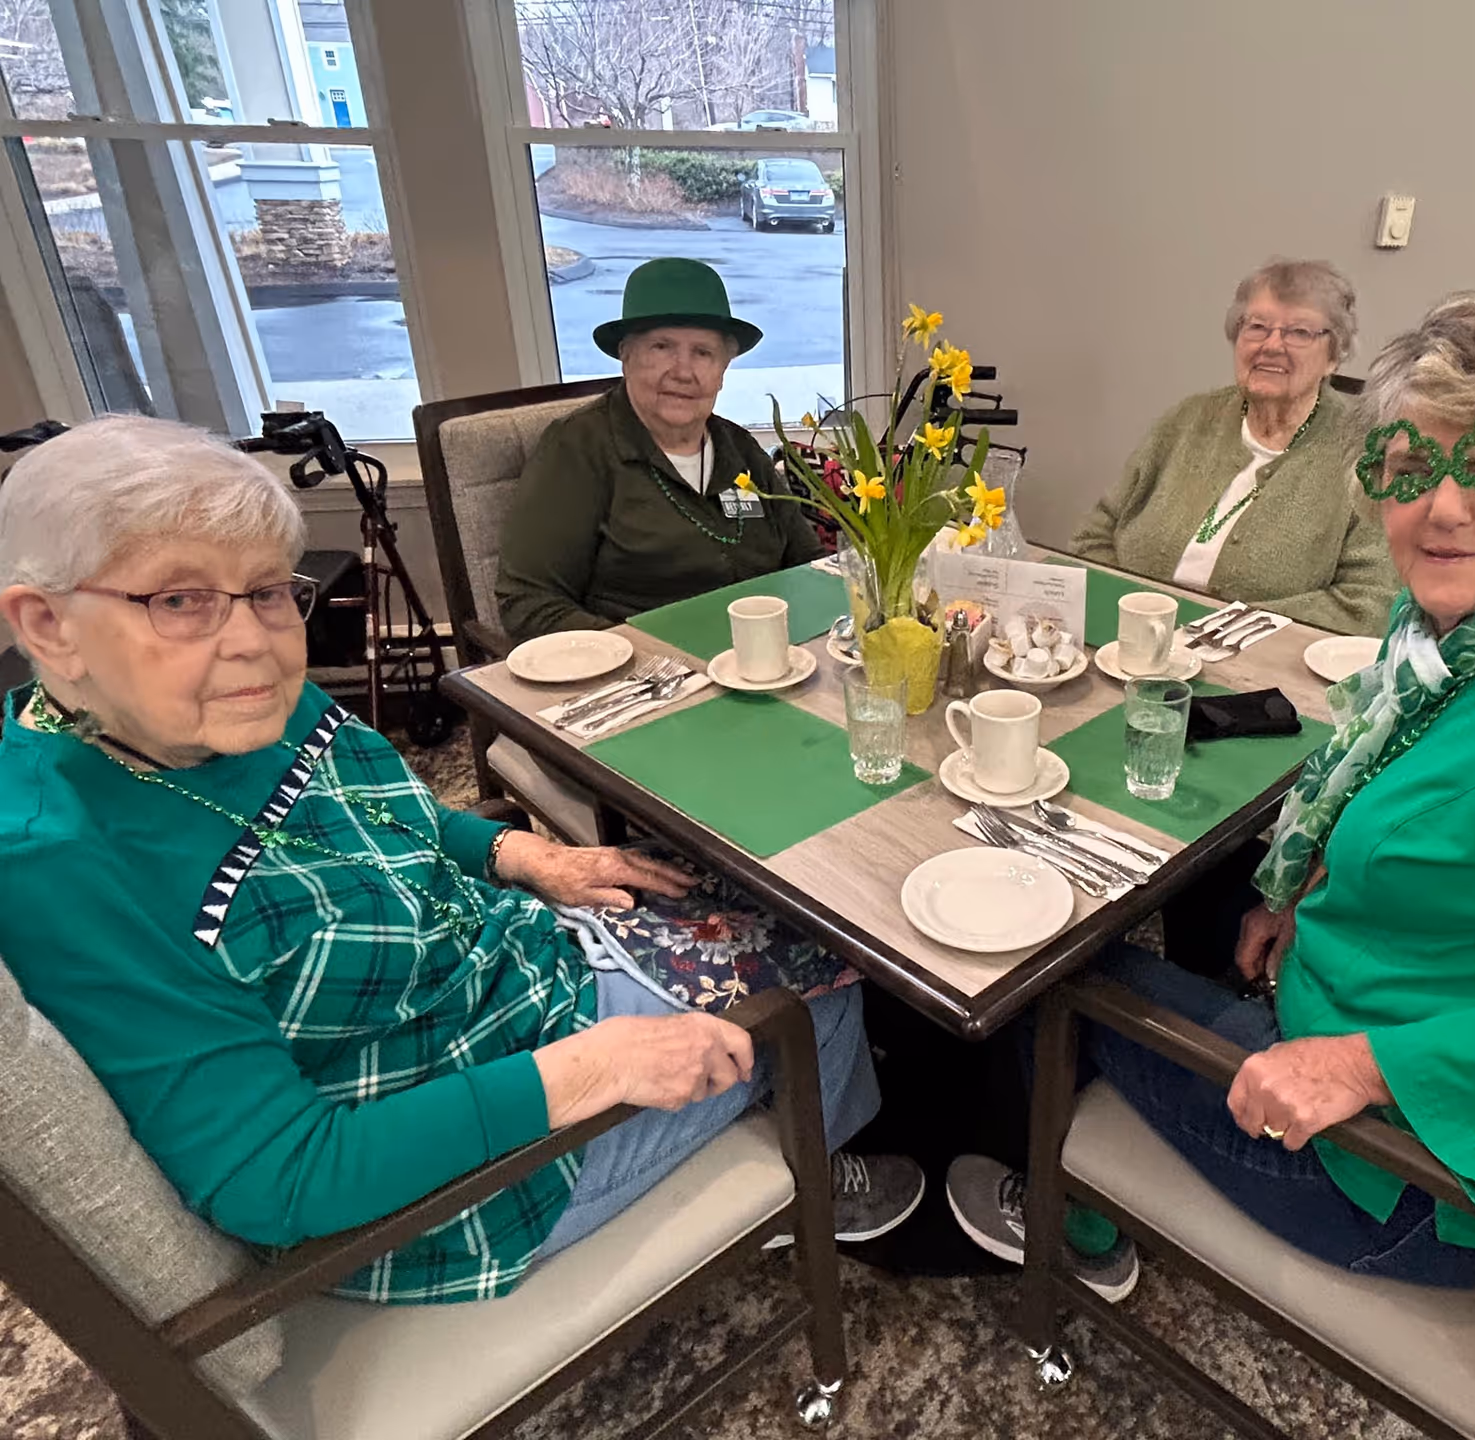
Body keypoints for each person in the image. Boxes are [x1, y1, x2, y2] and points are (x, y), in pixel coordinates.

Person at [0, 416, 921, 1305]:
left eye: (269, 590)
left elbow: (380, 817)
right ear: (47, 625)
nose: (253, 640)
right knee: (822, 975)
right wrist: (592, 1072)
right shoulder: (63, 863)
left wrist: (521, 853)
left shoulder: (211, 714)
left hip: (520, 975)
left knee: (778, 901)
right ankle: (817, 1177)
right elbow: (279, 1179)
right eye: (178, 600)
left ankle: (802, 1114)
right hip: (460, 1173)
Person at [951, 294, 1475, 1288]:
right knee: (1203, 889)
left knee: (1040, 980)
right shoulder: (1464, 630)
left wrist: (1357, 1067)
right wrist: (1302, 887)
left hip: (1415, 1175)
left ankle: (1074, 1228)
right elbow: (1438, 801)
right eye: (1409, 470)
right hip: (1364, 1003)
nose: (1442, 508)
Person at [496, 257, 825, 644]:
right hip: (643, 682)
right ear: (626, 356)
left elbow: (807, 563)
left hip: (765, 659)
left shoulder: (740, 449)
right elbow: (528, 602)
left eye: (703, 352)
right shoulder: (576, 450)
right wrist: (645, 658)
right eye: (662, 347)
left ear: (723, 369)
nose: (683, 371)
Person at [1070, 258, 1397, 636]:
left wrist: (1216, 633)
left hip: (1260, 675)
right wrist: (1125, 619)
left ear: (1334, 356)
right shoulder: (1187, 420)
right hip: (1122, 641)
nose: (1272, 345)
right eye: (1257, 327)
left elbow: (1367, 603)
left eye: (1299, 332)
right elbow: (1094, 536)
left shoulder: (1363, 452)